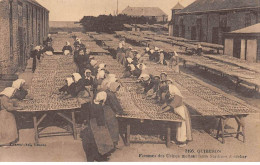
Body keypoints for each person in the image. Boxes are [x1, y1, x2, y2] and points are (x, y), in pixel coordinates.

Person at [80, 91, 114, 162]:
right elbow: (101, 121)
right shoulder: (99, 108)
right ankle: (98, 158)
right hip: (95, 128)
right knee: (97, 143)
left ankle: (92, 158)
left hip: (88, 126)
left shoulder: (89, 104)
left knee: (89, 145)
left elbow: (85, 116)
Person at [104, 82, 124, 148]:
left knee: (108, 126)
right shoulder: (111, 95)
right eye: (117, 89)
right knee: (113, 126)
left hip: (105, 109)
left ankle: (109, 142)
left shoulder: (107, 91)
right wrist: (120, 111)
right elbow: (115, 105)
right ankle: (113, 143)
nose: (117, 90)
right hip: (108, 111)